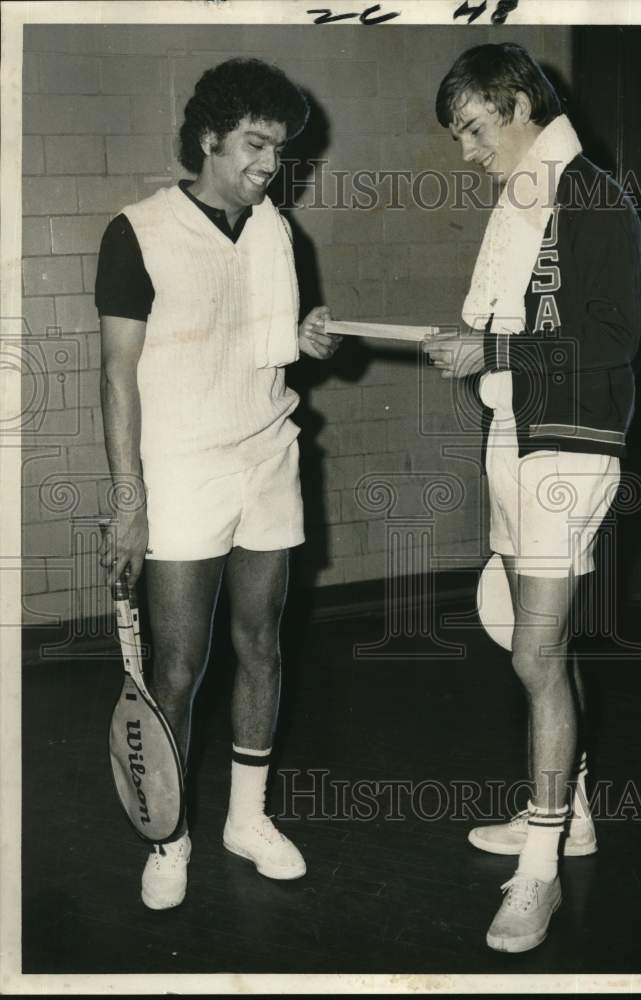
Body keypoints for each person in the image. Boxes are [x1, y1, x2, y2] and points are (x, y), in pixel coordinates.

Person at [95, 58, 341, 910]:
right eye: (252, 145)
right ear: (208, 138)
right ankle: (169, 835)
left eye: (278, 150)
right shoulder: (137, 230)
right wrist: (130, 501)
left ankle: (246, 819)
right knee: (178, 665)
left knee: (263, 645)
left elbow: (268, 343)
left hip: (268, 455)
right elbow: (116, 376)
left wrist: (304, 339)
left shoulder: (275, 229)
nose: (267, 165)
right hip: (181, 469)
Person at [425, 43, 641, 952]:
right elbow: (506, 329)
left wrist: (496, 354)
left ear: (516, 104)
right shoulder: (519, 202)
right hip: (516, 439)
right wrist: (469, 351)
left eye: (474, 128)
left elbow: (614, 339)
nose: (468, 151)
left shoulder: (589, 192)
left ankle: (540, 874)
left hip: (571, 446)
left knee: (534, 658)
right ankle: (569, 815)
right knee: (533, 643)